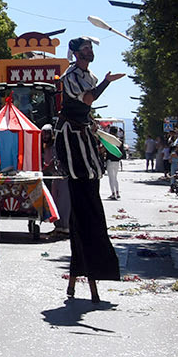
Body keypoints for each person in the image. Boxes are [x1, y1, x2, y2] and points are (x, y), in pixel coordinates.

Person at [54, 37, 123, 302]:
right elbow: (87, 98)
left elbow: (87, 108)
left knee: (87, 214)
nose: (89, 51)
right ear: (74, 53)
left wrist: (93, 126)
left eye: (91, 48)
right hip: (71, 140)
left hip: (84, 136)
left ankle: (80, 273)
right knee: (84, 215)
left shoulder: (89, 75)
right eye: (85, 48)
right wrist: (107, 82)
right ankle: (90, 273)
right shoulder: (70, 76)